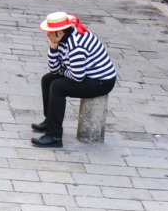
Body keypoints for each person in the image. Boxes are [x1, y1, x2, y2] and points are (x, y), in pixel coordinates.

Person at [32, 12, 116, 148]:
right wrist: (53, 49)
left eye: (49, 32)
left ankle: (54, 136)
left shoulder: (75, 45)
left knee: (57, 87)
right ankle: (49, 122)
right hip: (87, 74)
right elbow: (54, 70)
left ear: (59, 33)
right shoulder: (64, 39)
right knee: (47, 80)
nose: (47, 35)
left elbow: (77, 76)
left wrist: (62, 71)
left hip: (101, 81)